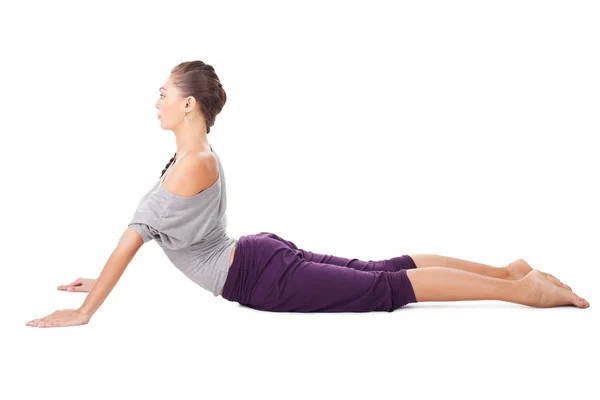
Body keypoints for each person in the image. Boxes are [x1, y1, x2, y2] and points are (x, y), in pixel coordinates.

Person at [25, 61, 590, 328]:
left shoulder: (185, 167)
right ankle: (505, 270)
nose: (157, 103)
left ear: (189, 105)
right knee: (384, 269)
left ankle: (525, 291)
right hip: (257, 255)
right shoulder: (197, 158)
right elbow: (163, 239)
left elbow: (133, 241)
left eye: (164, 94)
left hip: (257, 275)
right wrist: (100, 282)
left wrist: (85, 311)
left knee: (387, 288)